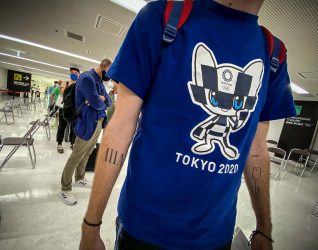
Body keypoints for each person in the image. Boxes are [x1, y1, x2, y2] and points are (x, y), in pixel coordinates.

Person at [80, 1, 296, 250]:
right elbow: (120, 125)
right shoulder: (163, 16)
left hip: (216, 236)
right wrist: (91, 226)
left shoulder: (273, 54)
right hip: (143, 229)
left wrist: (264, 229)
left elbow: (257, 148)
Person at [58, 59, 112, 206]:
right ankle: (65, 188)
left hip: (98, 122)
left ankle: (79, 178)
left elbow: (109, 101)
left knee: (88, 152)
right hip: (87, 123)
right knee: (76, 155)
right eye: (109, 71)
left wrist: (102, 99)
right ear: (102, 66)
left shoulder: (99, 81)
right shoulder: (87, 78)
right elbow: (96, 102)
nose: (110, 76)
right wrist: (100, 100)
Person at [56, 67, 80, 153]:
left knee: (74, 127)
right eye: (72, 72)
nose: (74, 74)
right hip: (64, 108)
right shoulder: (65, 82)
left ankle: (72, 143)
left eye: (76, 73)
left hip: (75, 109)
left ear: (79, 74)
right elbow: (64, 93)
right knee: (62, 126)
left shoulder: (80, 84)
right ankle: (59, 144)